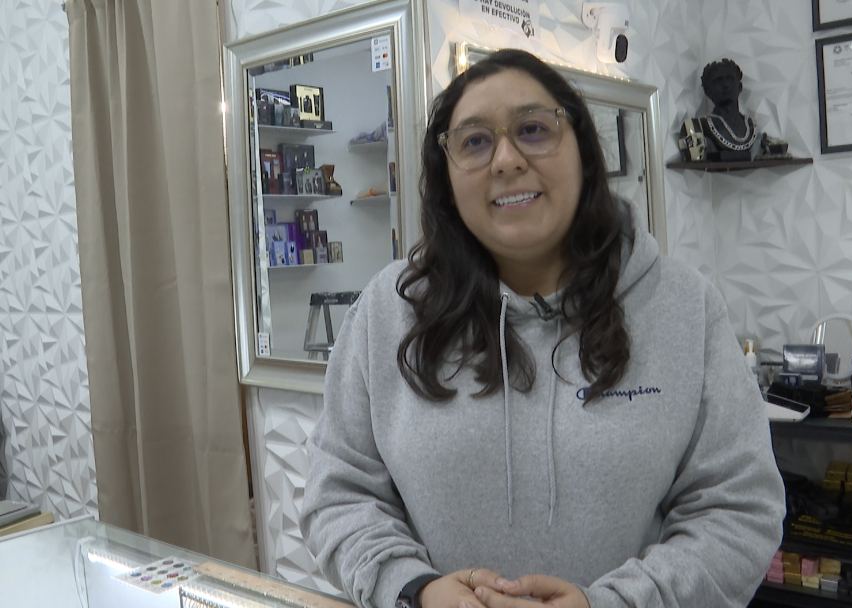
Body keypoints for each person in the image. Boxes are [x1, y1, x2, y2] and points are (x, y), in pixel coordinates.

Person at [300, 48, 785, 608]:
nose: (506, 160)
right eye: (474, 141)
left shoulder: (683, 306)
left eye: (533, 129)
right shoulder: (387, 312)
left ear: (583, 151)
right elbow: (338, 494)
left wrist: (612, 604)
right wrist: (413, 590)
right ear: (447, 177)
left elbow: (737, 510)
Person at [700, 58, 757, 160]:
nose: (725, 85)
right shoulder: (704, 125)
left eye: (730, 79)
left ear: (740, 86)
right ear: (708, 92)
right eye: (718, 81)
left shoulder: (750, 124)